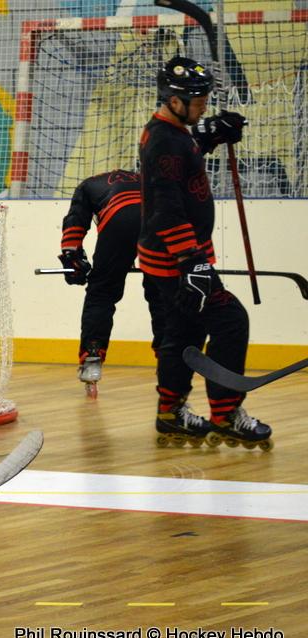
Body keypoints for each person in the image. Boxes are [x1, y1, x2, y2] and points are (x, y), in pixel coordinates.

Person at [138, 56, 271, 450]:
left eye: (204, 100)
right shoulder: (165, 140)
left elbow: (182, 157)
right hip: (178, 260)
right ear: (172, 99)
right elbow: (166, 205)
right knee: (231, 320)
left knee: (185, 332)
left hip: (172, 257)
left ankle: (170, 412)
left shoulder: (171, 132)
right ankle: (226, 413)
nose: (203, 107)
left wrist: (209, 135)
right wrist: (191, 262)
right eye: (196, 102)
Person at [58, 169, 166, 397]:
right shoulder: (145, 177)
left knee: (102, 294)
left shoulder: (87, 185)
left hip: (119, 219)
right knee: (161, 293)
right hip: (158, 219)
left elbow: (74, 223)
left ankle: (92, 357)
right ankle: (168, 357)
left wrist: (73, 259)